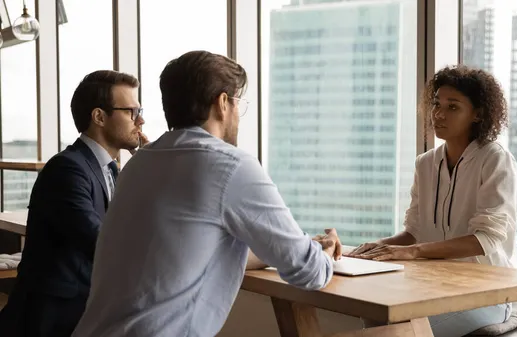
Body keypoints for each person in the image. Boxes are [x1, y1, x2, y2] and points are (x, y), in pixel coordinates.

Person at [71, 50, 342, 337]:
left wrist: (282, 245)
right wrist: (324, 251)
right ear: (223, 103)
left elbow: (188, 247)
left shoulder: (139, 163)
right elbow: (308, 271)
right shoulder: (231, 166)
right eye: (238, 103)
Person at [347, 65, 517, 337]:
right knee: (374, 314)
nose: (438, 114)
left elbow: (485, 240)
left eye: (453, 107)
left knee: (394, 331)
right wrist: (377, 247)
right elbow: (414, 232)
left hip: (487, 293)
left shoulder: (495, 160)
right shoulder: (425, 163)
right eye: (436, 104)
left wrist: (414, 252)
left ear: (477, 114)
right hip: (433, 287)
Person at [0, 70, 147, 337]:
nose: (141, 121)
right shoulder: (68, 168)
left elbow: (131, 223)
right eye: (132, 112)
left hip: (83, 310)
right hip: (51, 318)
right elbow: (100, 242)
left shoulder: (110, 170)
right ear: (99, 117)